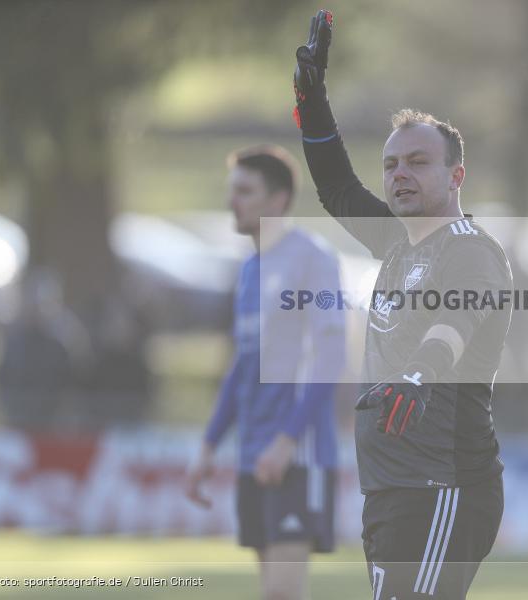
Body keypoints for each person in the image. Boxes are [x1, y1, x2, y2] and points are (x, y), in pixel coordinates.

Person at [293, 10, 513, 599]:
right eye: (391, 164)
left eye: (418, 162)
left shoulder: (471, 252)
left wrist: (420, 372)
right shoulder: (396, 240)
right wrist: (312, 102)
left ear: (456, 175)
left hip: (444, 484)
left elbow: (453, 324)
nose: (399, 175)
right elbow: (337, 188)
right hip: (391, 484)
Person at [185, 145, 345, 600]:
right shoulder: (250, 269)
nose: (231, 201)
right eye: (231, 190)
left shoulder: (314, 259)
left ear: (277, 201)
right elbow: (243, 365)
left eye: (244, 191)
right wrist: (208, 445)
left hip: (297, 454)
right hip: (255, 453)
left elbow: (330, 356)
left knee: (282, 594)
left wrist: (288, 439)